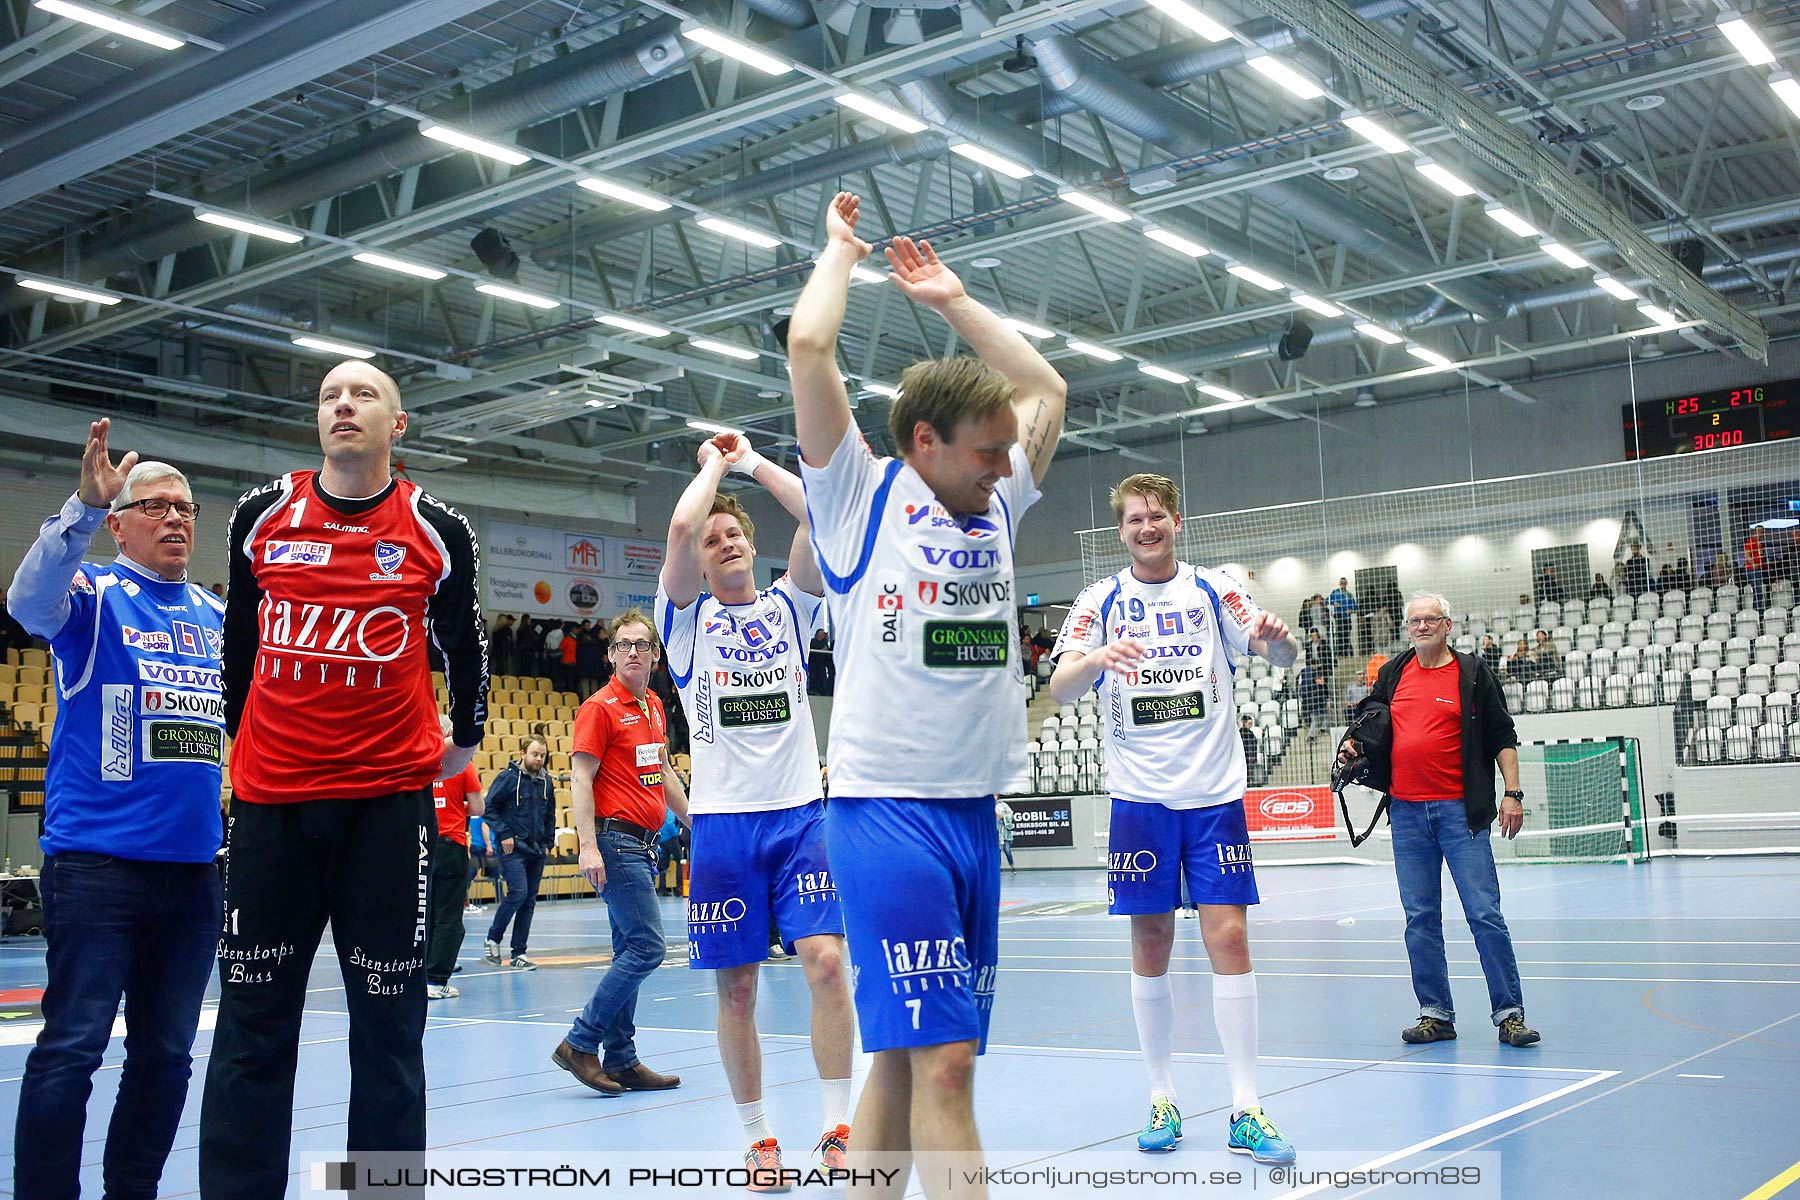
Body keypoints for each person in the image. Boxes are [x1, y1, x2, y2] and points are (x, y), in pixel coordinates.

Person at [789, 191, 1066, 1192]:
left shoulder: (993, 506)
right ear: (923, 446)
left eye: (1005, 452)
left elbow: (1048, 391)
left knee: (909, 1059)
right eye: (986, 451)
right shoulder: (860, 498)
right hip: (884, 812)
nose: (1007, 466)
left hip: (970, 815)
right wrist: (840, 255)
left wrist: (954, 302)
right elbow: (809, 350)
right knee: (948, 1061)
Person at [200, 360, 487, 1198]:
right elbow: (241, 646)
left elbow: (466, 646)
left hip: (385, 814)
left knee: (390, 1028)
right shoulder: (260, 515)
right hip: (270, 810)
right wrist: (241, 739)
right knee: (252, 1027)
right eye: (329, 396)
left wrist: (465, 741)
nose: (343, 406)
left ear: (397, 425)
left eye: (363, 395)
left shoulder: (436, 525)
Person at [1050, 472, 1299, 1164]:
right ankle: (1162, 1096)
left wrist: (1278, 641)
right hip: (1139, 802)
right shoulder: (1099, 601)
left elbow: (1278, 653)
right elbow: (1060, 684)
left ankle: (1246, 1108)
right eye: (1134, 519)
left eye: (1156, 516)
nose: (1146, 527)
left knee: (1231, 941)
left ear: (1176, 521)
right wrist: (1094, 658)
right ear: (1121, 529)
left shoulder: (1212, 589)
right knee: (1151, 946)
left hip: (1214, 799)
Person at [9, 426, 225, 1200]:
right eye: (156, 506)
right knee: (72, 1048)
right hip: (98, 866)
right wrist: (77, 507)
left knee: (168, 1055)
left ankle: (131, 1190)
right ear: (120, 521)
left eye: (186, 508)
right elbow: (27, 601)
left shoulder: (215, 616)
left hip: (194, 876)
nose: (175, 519)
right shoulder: (93, 598)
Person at [655, 431, 854, 1179]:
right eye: (715, 539)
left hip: (802, 816)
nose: (725, 542)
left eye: (736, 533)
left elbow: (822, 520)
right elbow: (679, 527)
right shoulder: (684, 623)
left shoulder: (791, 608)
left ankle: (837, 1127)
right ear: (703, 561)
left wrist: (751, 464)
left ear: (752, 545)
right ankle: (760, 1136)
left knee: (828, 964)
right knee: (736, 989)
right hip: (724, 829)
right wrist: (710, 466)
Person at [1337, 592, 1539, 1048]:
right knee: (1420, 918)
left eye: (1431, 619)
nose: (1422, 627)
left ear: (1448, 625)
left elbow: (1502, 736)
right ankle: (1435, 1014)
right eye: (1414, 621)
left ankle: (1509, 1014)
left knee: (1485, 914)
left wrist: (1512, 793)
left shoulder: (1472, 674)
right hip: (1407, 814)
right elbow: (1373, 725)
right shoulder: (1393, 673)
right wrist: (1357, 748)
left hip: (1460, 814)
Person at [552, 610, 690, 1095]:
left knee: (627, 948)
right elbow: (580, 778)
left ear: (654, 655)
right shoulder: (600, 707)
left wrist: (696, 822)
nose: (634, 651)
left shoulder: (654, 704)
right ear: (611, 655)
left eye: (642, 644)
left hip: (643, 843)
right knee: (647, 946)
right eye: (624, 644)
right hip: (615, 842)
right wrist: (587, 846)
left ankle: (623, 1058)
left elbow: (665, 774)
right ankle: (580, 1042)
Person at [482, 736, 556, 970]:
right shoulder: (507, 778)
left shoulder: (546, 782)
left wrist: (548, 842)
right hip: (513, 848)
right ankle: (493, 938)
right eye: (535, 754)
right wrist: (504, 834)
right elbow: (489, 809)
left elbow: (550, 814)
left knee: (529, 901)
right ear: (522, 753)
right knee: (518, 892)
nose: (539, 759)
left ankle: (519, 953)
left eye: (542, 755)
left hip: (537, 849)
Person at [426, 714, 484, 999]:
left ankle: (418, 976)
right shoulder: (460, 764)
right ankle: (436, 980)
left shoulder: (418, 761)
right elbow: (478, 807)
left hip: (420, 846)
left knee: (424, 914)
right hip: (450, 843)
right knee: (449, 917)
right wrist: (455, 806)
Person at [1327, 577, 1358, 660]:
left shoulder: (1349, 595)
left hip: (1347, 618)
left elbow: (1355, 607)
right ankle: (1341, 654)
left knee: (1347, 635)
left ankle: (1346, 653)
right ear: (1339, 584)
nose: (1343, 584)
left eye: (1344, 582)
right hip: (1339, 617)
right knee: (1340, 635)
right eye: (1341, 583)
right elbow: (1326, 601)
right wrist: (1334, 603)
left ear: (1346, 584)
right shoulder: (1335, 593)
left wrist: (1351, 610)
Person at [576, 618, 606, 696]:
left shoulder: (582, 641)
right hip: (594, 670)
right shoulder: (598, 644)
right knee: (593, 690)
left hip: (584, 669)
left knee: (586, 690)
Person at [809, 627, 835, 695]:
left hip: (822, 664)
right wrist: (822, 650)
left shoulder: (824, 643)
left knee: (823, 677)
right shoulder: (813, 641)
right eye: (822, 633)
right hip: (814, 664)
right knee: (814, 676)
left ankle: (823, 691)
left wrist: (826, 640)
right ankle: (813, 690)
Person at [491, 613, 517, 677]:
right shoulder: (506, 631)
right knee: (504, 670)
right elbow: (509, 643)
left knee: (497, 670)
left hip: (497, 654)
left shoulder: (495, 630)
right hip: (504, 653)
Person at [543, 620, 566, 688]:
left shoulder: (549, 633)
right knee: (558, 672)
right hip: (558, 654)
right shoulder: (560, 632)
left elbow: (546, 645)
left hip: (550, 654)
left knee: (552, 671)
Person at [995, 800, 1016, 870]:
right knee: (998, 851)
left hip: (1005, 833)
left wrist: (1004, 817)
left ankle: (1012, 866)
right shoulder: (989, 805)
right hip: (996, 833)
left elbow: (1011, 813)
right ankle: (998, 868)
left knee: (1007, 850)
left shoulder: (1003, 804)